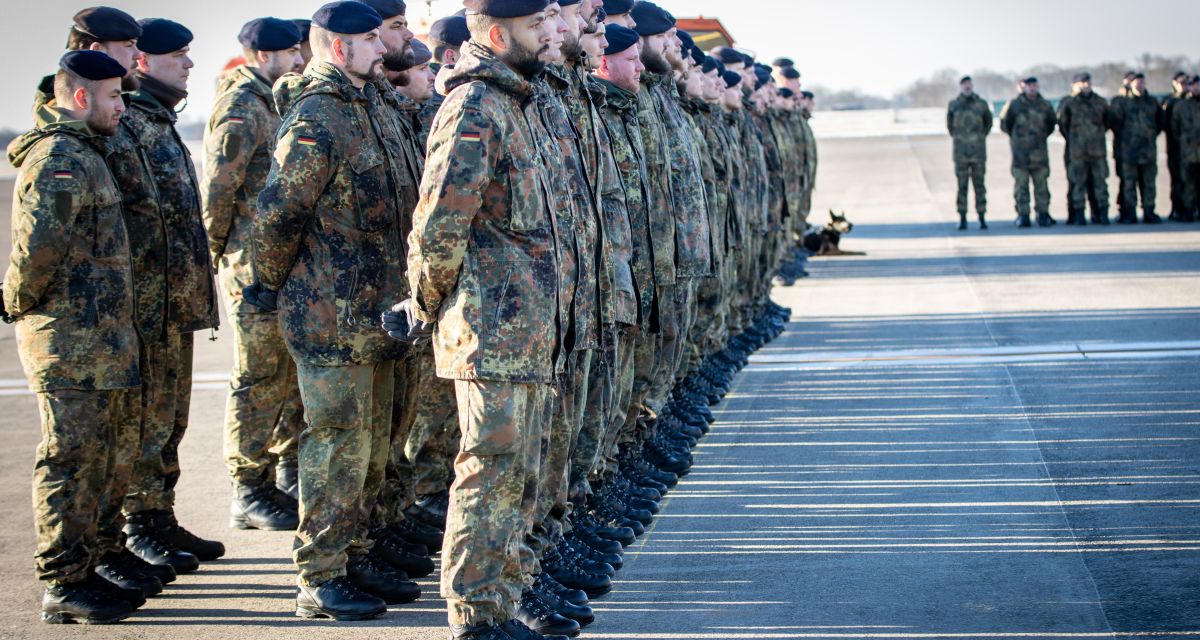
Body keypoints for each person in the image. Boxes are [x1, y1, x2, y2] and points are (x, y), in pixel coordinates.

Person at [395, 0, 568, 637]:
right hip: (490, 327)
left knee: (516, 472)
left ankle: (504, 598)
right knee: (488, 470)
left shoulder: (516, 102)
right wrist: (425, 304)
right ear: (497, 35)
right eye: (535, 25)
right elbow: (439, 225)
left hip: (528, 327)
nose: (549, 33)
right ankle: (474, 613)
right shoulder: (474, 107)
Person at [247, 0, 417, 619]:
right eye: (372, 39)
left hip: (378, 313)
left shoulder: (374, 104)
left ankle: (356, 552)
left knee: (372, 447)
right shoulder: (318, 115)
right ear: (341, 48)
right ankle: (319, 576)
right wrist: (268, 283)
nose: (384, 47)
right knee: (337, 446)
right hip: (330, 315)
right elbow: (279, 213)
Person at [6, 49, 144, 625]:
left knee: (95, 460)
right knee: (69, 460)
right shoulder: (61, 159)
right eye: (113, 97)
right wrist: (15, 302)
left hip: (98, 342)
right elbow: (41, 247)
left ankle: (85, 568)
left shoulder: (87, 152)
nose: (121, 107)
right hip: (68, 342)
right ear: (82, 97)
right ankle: (63, 583)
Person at [113, 16, 225, 572]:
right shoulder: (127, 122)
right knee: (145, 423)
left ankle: (159, 517)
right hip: (145, 306)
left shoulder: (157, 119)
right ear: (141, 61)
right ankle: (139, 525)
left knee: (169, 420)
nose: (188, 64)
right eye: (177, 55)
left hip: (174, 303)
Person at [202, 16, 305, 533]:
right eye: (291, 52)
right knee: (258, 379)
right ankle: (248, 487)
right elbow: (219, 191)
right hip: (250, 265)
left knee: (283, 376)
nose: (300, 59)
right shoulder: (242, 106)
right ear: (265, 56)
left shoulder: (273, 99)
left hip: (277, 261)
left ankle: (285, 473)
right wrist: (219, 256)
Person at [1000, 77, 1057, 227]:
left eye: (1034, 85)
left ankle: (1043, 214)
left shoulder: (1045, 105)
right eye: (1029, 85)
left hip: (1039, 154)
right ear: (1023, 87)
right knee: (1021, 186)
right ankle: (1023, 215)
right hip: (1020, 155)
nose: (1032, 88)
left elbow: (1051, 124)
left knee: (1042, 186)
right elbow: (1005, 125)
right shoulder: (1014, 105)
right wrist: (1019, 139)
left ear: (1038, 87)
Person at [1108, 72, 1163, 224]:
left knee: (1149, 184)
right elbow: (1115, 124)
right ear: (1131, 85)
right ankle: (1130, 213)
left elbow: (1160, 123)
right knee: (1129, 184)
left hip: (1148, 151)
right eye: (1137, 83)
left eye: (1142, 83)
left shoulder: (1152, 102)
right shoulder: (1123, 103)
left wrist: (1149, 136)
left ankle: (1149, 211)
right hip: (1129, 152)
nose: (1140, 86)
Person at [1056, 72, 1111, 225]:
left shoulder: (1100, 102)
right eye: (1082, 83)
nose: (1086, 85)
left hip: (1097, 151)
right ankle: (1078, 213)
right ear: (1075, 85)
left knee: (1100, 183)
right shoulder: (1069, 103)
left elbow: (1108, 122)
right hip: (1077, 152)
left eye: (1088, 82)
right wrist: (1074, 139)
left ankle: (1101, 213)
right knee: (1077, 183)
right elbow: (1063, 124)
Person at [947, 76, 992, 230]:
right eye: (964, 84)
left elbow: (988, 123)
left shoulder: (981, 104)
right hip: (960, 153)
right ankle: (962, 217)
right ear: (960, 86)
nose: (967, 86)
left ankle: (982, 216)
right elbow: (950, 127)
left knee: (980, 186)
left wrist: (978, 138)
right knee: (962, 186)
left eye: (969, 84)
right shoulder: (954, 105)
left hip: (978, 153)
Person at [1170, 75, 1200, 223]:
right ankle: (1188, 210)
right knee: (1188, 183)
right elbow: (1174, 129)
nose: (1196, 88)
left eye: (1198, 85)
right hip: (1187, 152)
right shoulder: (1181, 106)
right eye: (1193, 85)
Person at [1163, 71, 1190, 220]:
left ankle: (1190, 209)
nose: (1184, 86)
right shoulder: (1170, 102)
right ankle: (1177, 208)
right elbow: (1164, 124)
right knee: (1177, 181)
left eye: (1187, 83)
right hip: (1175, 149)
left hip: (1193, 150)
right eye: (1181, 83)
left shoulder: (1194, 101)